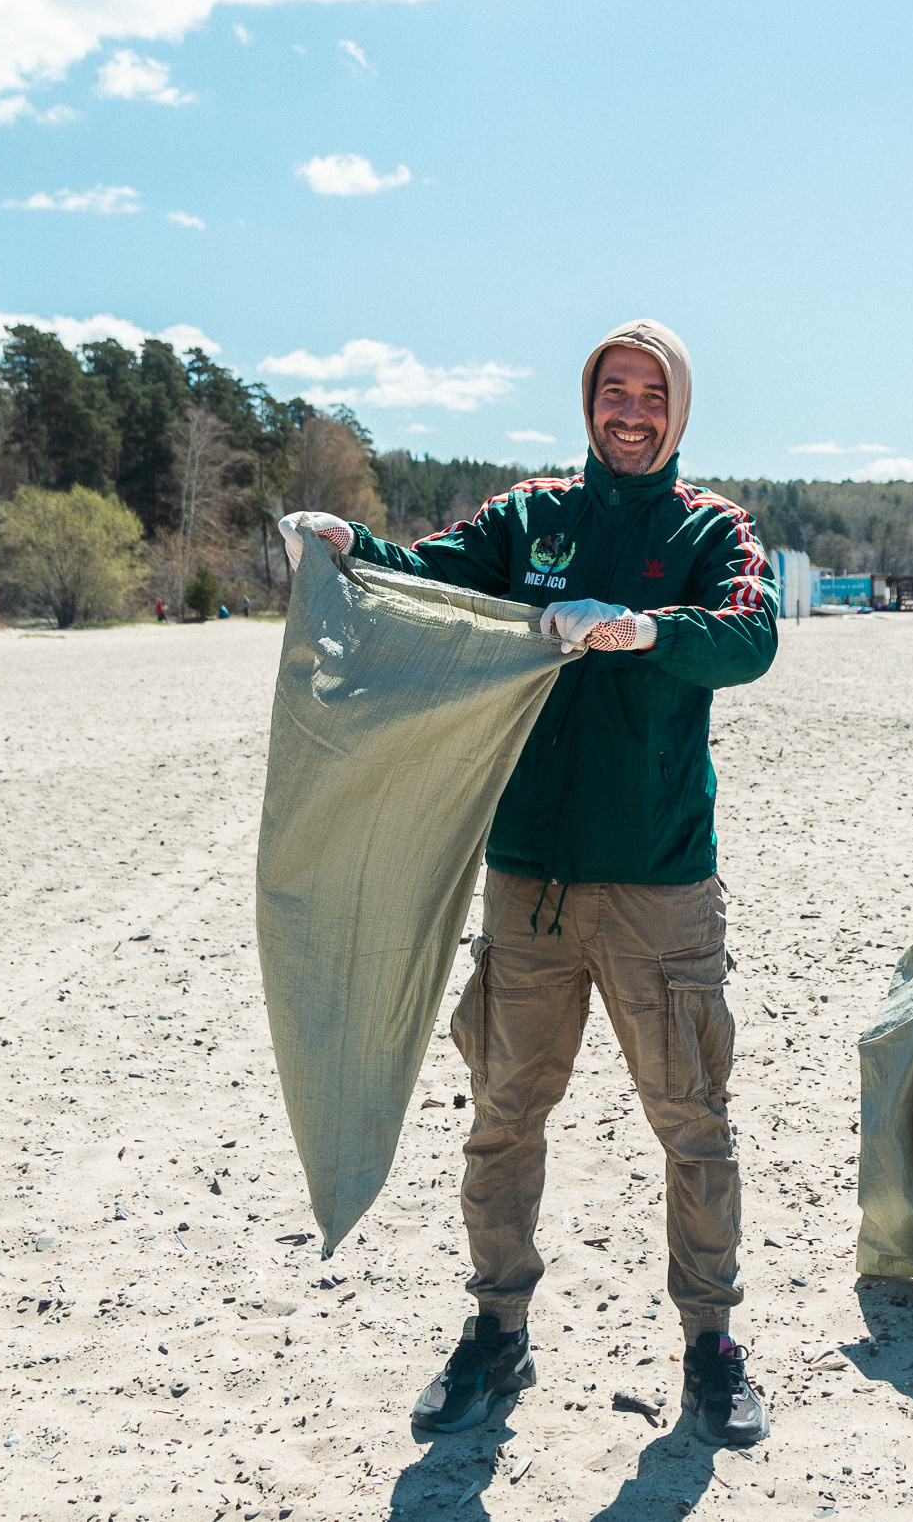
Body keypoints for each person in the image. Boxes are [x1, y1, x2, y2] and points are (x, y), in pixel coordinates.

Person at [276, 320, 778, 1445]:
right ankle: (496, 1328)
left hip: (659, 883)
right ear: (589, 401)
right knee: (503, 1117)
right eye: (613, 388)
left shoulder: (712, 527)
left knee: (692, 1120)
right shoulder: (531, 516)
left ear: (678, 409)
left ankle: (711, 1343)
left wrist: (645, 626)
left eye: (652, 392)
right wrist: (347, 537)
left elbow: (749, 637)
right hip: (528, 887)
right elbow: (428, 574)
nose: (631, 409)